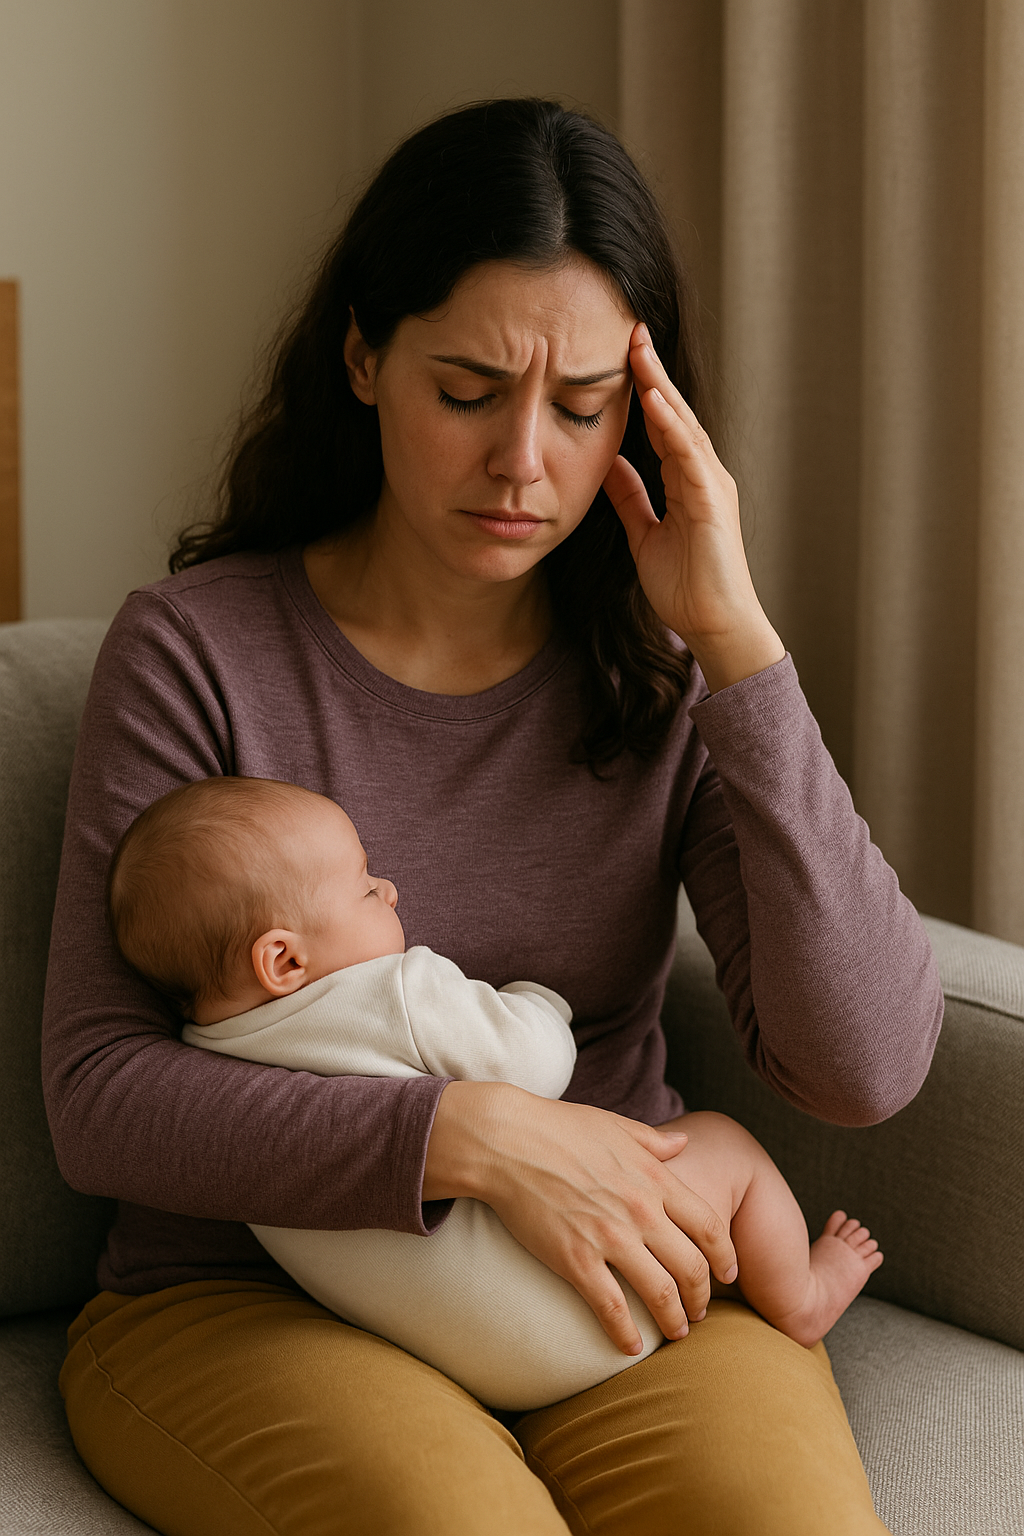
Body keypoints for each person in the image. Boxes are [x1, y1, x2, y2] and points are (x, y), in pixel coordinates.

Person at [43, 97, 942, 1535]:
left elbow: (869, 1063)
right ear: (363, 357)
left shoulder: (656, 677)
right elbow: (100, 1103)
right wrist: (474, 1139)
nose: (525, 460)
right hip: (251, 1298)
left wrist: (739, 647)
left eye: (583, 406)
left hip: (616, 1281)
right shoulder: (198, 651)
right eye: (468, 390)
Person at [106, 774, 885, 1412]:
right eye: (364, 889)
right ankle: (802, 1296)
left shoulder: (204, 1062)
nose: (391, 889)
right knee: (727, 1144)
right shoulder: (395, 994)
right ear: (283, 960)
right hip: (591, 1306)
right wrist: (539, 1001)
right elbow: (532, 1064)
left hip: (456, 1352)